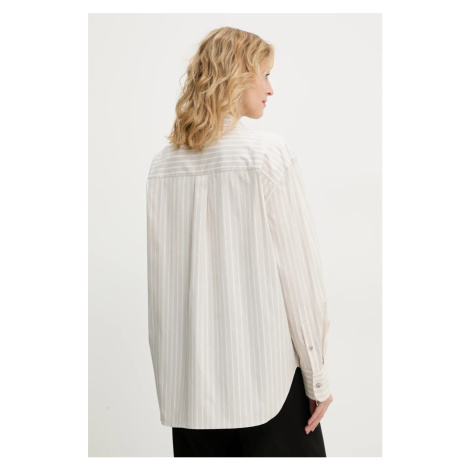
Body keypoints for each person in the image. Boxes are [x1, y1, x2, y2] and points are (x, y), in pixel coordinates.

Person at [146, 26, 333, 457]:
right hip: (267, 388)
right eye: (264, 74)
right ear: (236, 77)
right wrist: (317, 377)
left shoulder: (163, 166)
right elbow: (299, 278)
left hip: (190, 398)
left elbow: (162, 291)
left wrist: (172, 387)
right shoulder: (266, 155)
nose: (270, 88)